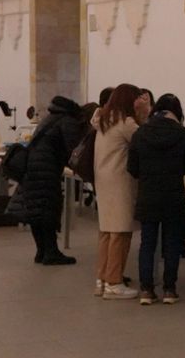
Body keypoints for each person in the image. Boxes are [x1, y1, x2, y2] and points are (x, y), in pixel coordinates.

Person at [127, 94, 185, 304]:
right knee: (172, 243)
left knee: (147, 243)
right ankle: (169, 289)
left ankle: (146, 290)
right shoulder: (181, 133)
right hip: (173, 195)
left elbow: (132, 167)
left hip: (148, 194)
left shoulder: (141, 132)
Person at [11, 95, 87, 265]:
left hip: (34, 168)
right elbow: (74, 149)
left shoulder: (49, 118)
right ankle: (51, 252)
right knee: (47, 211)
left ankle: (41, 251)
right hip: (47, 170)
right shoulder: (67, 121)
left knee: (37, 211)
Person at [94, 84, 144, 301]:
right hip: (120, 180)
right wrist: (145, 113)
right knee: (121, 232)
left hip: (103, 179)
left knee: (107, 231)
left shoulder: (104, 118)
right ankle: (114, 283)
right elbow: (144, 139)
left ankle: (103, 279)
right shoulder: (125, 121)